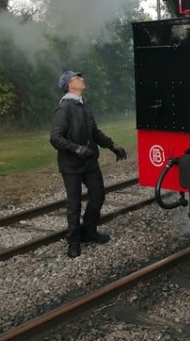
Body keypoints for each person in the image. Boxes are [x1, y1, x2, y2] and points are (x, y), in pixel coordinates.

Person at [50, 71, 127, 258]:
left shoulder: (84, 105)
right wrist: (77, 149)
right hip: (72, 166)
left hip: (90, 162)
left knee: (98, 196)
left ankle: (89, 231)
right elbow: (55, 138)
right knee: (74, 205)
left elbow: (94, 132)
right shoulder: (65, 108)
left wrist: (112, 145)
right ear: (69, 84)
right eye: (77, 78)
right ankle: (74, 241)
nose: (82, 79)